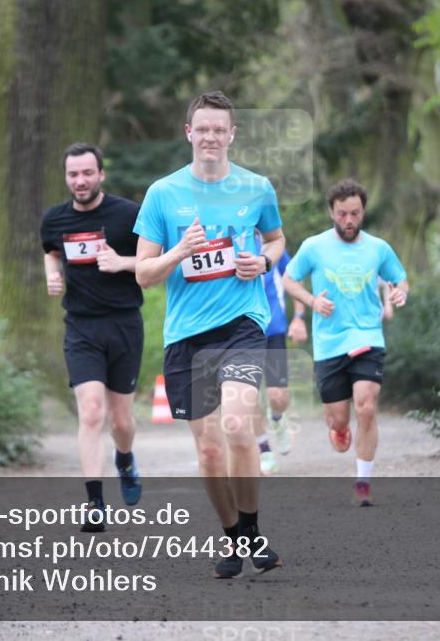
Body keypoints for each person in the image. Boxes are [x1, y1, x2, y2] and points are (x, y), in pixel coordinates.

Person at [134, 91, 286, 578]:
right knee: (209, 448)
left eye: (219, 129)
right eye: (203, 129)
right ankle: (234, 538)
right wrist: (180, 251)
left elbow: (278, 239)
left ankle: (253, 532)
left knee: (239, 426)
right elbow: (143, 273)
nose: (211, 138)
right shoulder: (163, 194)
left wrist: (262, 261)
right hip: (187, 337)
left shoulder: (257, 187)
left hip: (242, 326)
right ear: (188, 133)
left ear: (232, 134)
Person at [282, 178, 409, 507]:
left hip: (368, 336)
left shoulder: (379, 248)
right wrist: (311, 302)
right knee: (338, 421)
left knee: (366, 407)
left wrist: (400, 292)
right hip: (329, 344)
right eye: (342, 214)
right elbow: (288, 279)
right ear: (331, 212)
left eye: (354, 213)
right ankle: (338, 429)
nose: (348, 221)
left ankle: (363, 483)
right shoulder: (314, 247)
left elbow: (400, 278)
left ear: (363, 211)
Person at [40, 143, 143, 532]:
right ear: (66, 177)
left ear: (101, 174)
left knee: (120, 421)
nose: (80, 181)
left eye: (87, 173)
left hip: (124, 324)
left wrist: (122, 262)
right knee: (91, 411)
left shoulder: (128, 215)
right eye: (73, 175)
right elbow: (51, 250)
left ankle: (126, 457)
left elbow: (156, 258)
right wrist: (52, 272)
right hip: (81, 326)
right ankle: (95, 503)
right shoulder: (54, 219)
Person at [254, 246, 308, 476]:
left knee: (278, 396)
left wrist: (298, 318)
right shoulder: (228, 241)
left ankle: (276, 418)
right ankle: (264, 450)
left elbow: (295, 282)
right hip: (241, 333)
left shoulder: (272, 246)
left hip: (273, 331)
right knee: (246, 397)